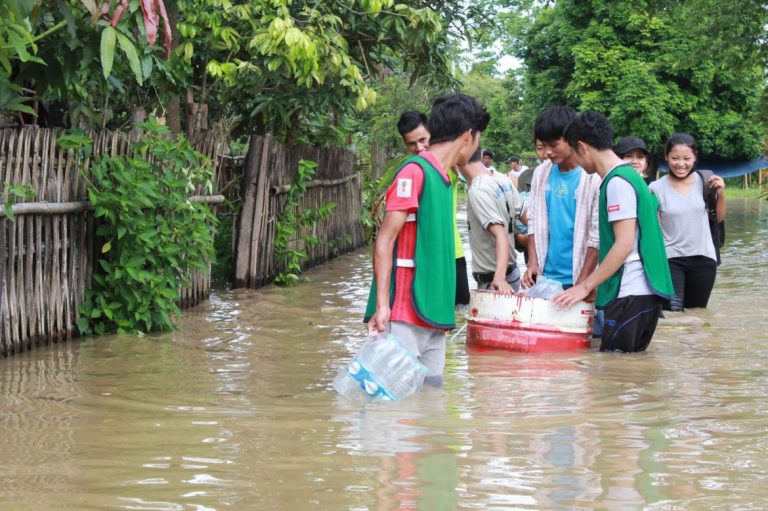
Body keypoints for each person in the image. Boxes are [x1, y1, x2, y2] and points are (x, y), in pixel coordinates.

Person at [365, 93, 490, 387]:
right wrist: (383, 306)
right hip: (404, 312)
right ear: (468, 136)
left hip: (433, 314)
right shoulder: (414, 172)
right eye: (477, 139)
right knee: (393, 406)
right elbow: (384, 240)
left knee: (430, 398)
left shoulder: (445, 178)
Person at [553, 110, 675, 353]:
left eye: (574, 155)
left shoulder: (617, 182)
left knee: (616, 372)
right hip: (644, 293)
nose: (576, 162)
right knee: (629, 375)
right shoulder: (632, 176)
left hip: (630, 292)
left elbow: (624, 245)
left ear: (582, 147)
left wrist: (585, 286)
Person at [522, 106, 600, 293]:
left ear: (572, 139)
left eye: (554, 145)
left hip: (581, 276)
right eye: (543, 145)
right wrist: (533, 262)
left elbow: (597, 236)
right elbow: (534, 221)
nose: (547, 152)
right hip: (545, 276)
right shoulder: (541, 173)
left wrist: (583, 282)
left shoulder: (593, 177)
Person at [397, 111, 470, 307]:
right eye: (412, 144)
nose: (419, 148)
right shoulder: (413, 171)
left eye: (423, 140)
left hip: (453, 252)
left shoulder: (450, 164)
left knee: (458, 314)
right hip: (423, 255)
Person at [648, 133, 726, 311]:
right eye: (675, 158)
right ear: (666, 157)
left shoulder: (706, 183)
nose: (680, 163)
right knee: (673, 313)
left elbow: (718, 218)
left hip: (704, 258)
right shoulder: (655, 188)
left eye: (686, 158)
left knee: (697, 315)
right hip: (670, 259)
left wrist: (721, 194)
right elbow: (653, 227)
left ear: (695, 158)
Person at [458, 148, 524, 293]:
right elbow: (527, 218)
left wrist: (499, 278)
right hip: (513, 273)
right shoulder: (503, 178)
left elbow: (500, 234)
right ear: (481, 155)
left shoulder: (478, 189)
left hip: (494, 280)